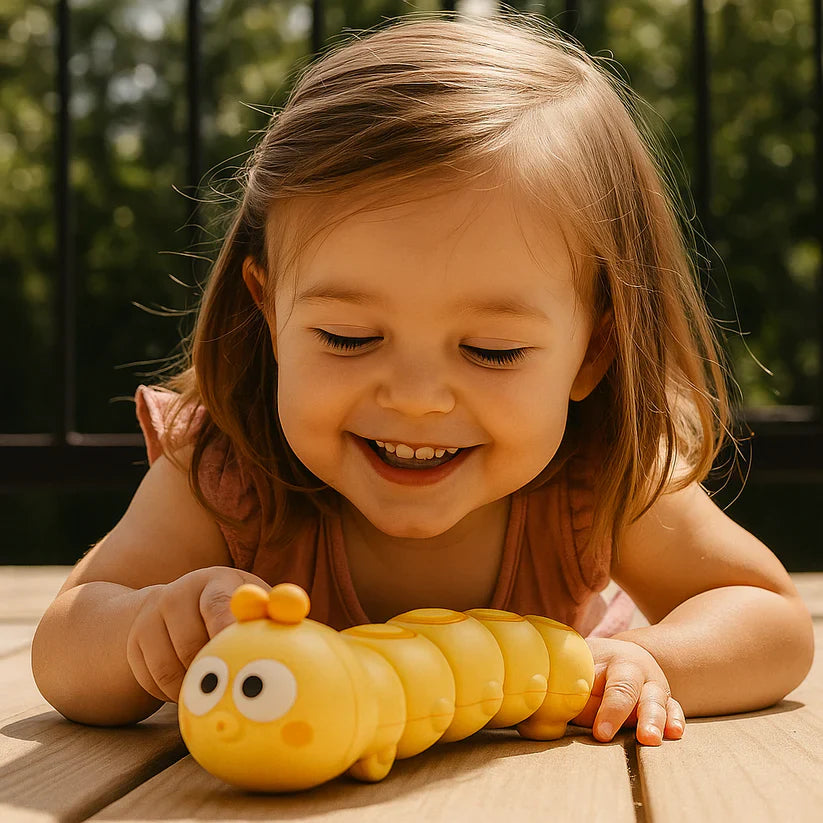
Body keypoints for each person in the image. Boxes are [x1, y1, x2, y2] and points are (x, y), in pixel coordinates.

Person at [32, 12, 813, 749]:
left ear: (593, 352)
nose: (414, 396)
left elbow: (772, 619)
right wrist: (147, 629)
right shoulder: (230, 472)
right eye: (347, 336)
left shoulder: (596, 476)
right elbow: (65, 645)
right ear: (269, 313)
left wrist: (654, 659)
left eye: (492, 350)